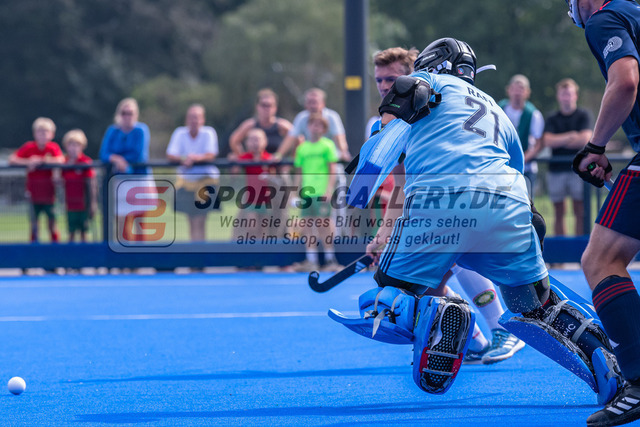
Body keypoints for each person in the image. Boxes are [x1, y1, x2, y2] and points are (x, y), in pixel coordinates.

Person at [334, 37, 622, 404]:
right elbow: (516, 172)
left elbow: (388, 135)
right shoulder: (497, 110)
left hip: (442, 202)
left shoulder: (424, 83)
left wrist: (358, 192)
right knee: (536, 305)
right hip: (511, 210)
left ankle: (445, 314)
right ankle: (604, 360)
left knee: (388, 296)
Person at [367, 47, 523, 365]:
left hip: (470, 201)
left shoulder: (439, 108)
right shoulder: (389, 121)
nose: (384, 86)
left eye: (391, 79)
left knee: (456, 252)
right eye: (379, 80)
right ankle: (473, 341)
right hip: (434, 208)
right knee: (429, 281)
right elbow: (400, 183)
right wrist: (385, 232)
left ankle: (502, 328)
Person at [565, 1, 640, 425]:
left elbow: (625, 80)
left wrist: (595, 146)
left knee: (601, 260)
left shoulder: (604, 19)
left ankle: (639, 380)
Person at [290, 114, 341, 272]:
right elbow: (298, 172)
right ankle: (311, 261)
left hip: (322, 192)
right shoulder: (302, 148)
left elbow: (332, 169)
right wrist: (294, 193)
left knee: (324, 224)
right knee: (306, 226)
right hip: (307, 193)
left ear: (324, 129)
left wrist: (328, 189)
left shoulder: (327, 145)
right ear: (308, 127)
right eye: (313, 124)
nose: (315, 127)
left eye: (319, 125)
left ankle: (330, 259)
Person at [543, 78, 592, 236]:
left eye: (569, 94)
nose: (566, 97)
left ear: (575, 95)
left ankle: (579, 248)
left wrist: (560, 140)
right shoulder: (552, 118)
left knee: (580, 210)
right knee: (558, 211)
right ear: (558, 96)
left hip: (579, 170)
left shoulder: (584, 115)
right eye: (563, 94)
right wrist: (571, 136)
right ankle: (561, 249)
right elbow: (547, 141)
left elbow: (585, 139)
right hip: (556, 170)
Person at [99, 98, 150, 242]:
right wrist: (116, 159)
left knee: (139, 219)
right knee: (121, 219)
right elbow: (104, 153)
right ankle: (123, 252)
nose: (127, 116)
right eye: (124, 113)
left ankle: (139, 252)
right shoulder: (113, 131)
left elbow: (139, 154)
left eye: (130, 113)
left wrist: (122, 160)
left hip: (138, 179)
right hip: (119, 180)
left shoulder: (141, 130)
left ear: (136, 114)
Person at [166, 104, 219, 241]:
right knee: (191, 221)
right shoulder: (179, 133)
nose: (194, 121)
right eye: (191, 117)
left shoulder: (209, 132)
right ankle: (194, 251)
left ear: (203, 119)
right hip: (187, 183)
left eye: (197, 117)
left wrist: (194, 158)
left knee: (201, 220)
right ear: (186, 119)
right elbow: (171, 154)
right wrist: (184, 159)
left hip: (206, 182)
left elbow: (211, 154)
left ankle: (200, 251)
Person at [9, 117, 65, 243]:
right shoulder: (29, 147)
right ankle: (34, 248)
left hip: (50, 195)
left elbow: (61, 160)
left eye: (46, 132)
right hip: (33, 194)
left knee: (52, 224)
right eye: (40, 132)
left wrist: (43, 161)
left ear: (52, 134)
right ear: (34, 133)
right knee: (34, 224)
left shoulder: (53, 148)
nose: (42, 135)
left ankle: (55, 247)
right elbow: (12, 159)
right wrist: (29, 161)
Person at [499, 74, 545, 196]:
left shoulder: (533, 114)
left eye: (521, 89)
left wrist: (521, 159)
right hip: (502, 166)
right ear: (508, 90)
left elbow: (538, 144)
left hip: (526, 168)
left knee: (526, 201)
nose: (517, 93)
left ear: (527, 92)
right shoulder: (499, 109)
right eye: (514, 88)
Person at [275, 88, 351, 161]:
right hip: (311, 159)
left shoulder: (332, 116)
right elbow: (291, 137)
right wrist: (279, 155)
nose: (312, 106)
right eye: (309, 102)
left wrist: (343, 152)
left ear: (323, 103)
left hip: (329, 159)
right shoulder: (301, 117)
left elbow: (339, 137)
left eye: (315, 102)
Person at [233, 128, 277, 240]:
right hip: (251, 199)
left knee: (263, 228)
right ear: (247, 143)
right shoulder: (245, 158)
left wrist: (270, 174)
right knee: (251, 226)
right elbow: (234, 173)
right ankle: (251, 247)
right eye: (252, 140)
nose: (255, 143)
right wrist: (233, 161)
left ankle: (261, 249)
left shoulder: (268, 158)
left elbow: (274, 176)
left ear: (265, 142)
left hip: (266, 198)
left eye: (258, 139)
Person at [228, 88, 293, 156]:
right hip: (255, 162)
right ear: (257, 106)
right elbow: (234, 141)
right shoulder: (249, 125)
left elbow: (297, 139)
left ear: (275, 107)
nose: (266, 108)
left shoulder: (282, 126)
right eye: (263, 105)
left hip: (276, 162)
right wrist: (243, 158)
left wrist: (285, 157)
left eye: (269, 105)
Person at [61, 129, 97, 243]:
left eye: (77, 145)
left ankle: (84, 253)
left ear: (82, 146)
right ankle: (71, 253)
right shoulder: (63, 162)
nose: (73, 148)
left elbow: (91, 185)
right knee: (71, 232)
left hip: (83, 205)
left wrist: (92, 203)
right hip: (70, 205)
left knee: (84, 232)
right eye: (71, 144)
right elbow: (59, 181)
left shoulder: (85, 162)